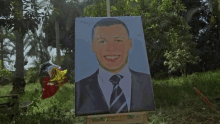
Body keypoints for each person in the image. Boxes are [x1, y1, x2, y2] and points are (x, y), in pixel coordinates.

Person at [75, 18, 155, 116]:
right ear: (93, 46)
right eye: (102, 41)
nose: (111, 48)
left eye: (118, 40)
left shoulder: (146, 82)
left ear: (130, 44)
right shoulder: (80, 88)